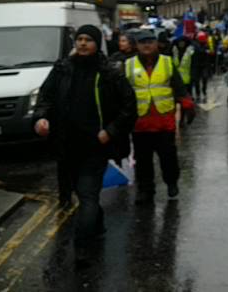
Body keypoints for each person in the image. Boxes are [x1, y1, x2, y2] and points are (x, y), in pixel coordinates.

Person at [33, 25, 136, 266]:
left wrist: (109, 132)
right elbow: (45, 97)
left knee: (87, 195)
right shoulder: (62, 69)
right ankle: (97, 224)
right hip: (66, 144)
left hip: (95, 145)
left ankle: (82, 248)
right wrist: (41, 118)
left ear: (96, 43)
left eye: (88, 40)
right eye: (79, 39)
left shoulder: (110, 73)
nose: (82, 43)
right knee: (83, 194)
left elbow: (128, 108)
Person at [126, 30, 192, 205]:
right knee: (142, 160)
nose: (146, 45)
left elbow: (179, 87)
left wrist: (187, 103)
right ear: (136, 45)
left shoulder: (167, 62)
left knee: (168, 157)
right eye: (142, 42)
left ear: (156, 44)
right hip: (140, 123)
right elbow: (122, 92)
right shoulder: (128, 65)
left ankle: (171, 182)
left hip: (164, 122)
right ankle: (146, 190)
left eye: (150, 41)